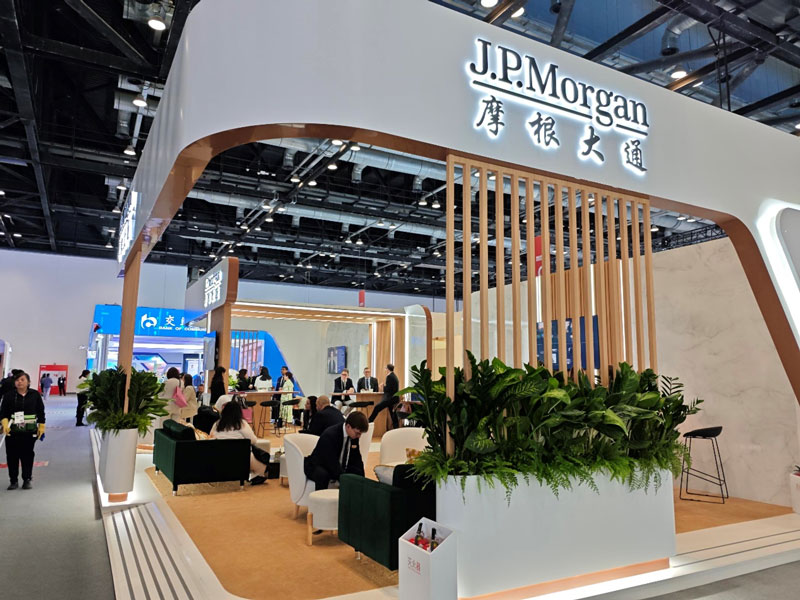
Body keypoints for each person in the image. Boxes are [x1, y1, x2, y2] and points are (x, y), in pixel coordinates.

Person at [1, 371, 46, 490]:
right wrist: (4, 423)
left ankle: (27, 479)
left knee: (27, 455)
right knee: (12, 456)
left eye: (22, 380)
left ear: (28, 382)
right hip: (12, 431)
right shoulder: (9, 395)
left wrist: (41, 426)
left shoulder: (35, 395)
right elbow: (3, 412)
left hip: (29, 431)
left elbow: (41, 412)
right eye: (17, 380)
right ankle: (13, 480)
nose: (19, 382)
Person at [303, 411, 368, 492]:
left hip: (337, 464)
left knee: (357, 472)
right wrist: (344, 479)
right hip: (318, 464)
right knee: (323, 474)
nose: (359, 436)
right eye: (357, 433)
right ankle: (321, 498)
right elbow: (331, 462)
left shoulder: (354, 436)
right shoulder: (330, 435)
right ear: (348, 426)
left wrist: (363, 480)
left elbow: (357, 458)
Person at [210, 400, 269, 485]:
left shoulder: (217, 424)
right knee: (261, 463)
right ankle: (256, 476)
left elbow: (210, 438)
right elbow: (253, 440)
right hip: (241, 458)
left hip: (219, 458)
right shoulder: (241, 424)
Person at [369, 363, 400, 430]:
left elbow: (388, 389)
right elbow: (391, 388)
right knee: (393, 415)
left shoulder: (389, 377)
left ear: (388, 369)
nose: (385, 370)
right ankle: (396, 428)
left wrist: (382, 387)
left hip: (390, 399)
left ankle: (369, 422)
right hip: (393, 399)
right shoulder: (393, 376)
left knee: (377, 408)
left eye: (385, 368)